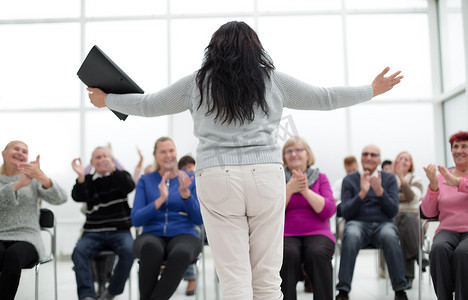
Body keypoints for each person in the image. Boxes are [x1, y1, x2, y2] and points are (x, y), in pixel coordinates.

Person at [87, 21, 403, 300]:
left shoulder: (197, 82)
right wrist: (371, 90)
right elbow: (326, 97)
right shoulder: (273, 80)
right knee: (266, 277)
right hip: (265, 176)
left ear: (213, 51)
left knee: (234, 276)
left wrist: (107, 100)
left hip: (215, 177)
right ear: (256, 50)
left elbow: (149, 104)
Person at [131, 137, 203, 300]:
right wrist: (159, 201)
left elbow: (199, 219)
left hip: (184, 234)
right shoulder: (145, 180)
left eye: (171, 150)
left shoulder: (189, 179)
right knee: (151, 247)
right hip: (151, 233)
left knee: (182, 253)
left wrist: (186, 195)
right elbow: (136, 219)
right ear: (155, 155)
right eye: (163, 151)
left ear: (176, 153)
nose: (168, 155)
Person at [336, 144, 408, 300]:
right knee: (352, 233)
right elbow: (346, 212)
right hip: (357, 223)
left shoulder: (389, 179)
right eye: (365, 154)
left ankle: (400, 291)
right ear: (361, 157)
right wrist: (361, 194)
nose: (368, 157)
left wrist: (380, 192)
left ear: (379, 159)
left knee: (390, 235)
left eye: (373, 155)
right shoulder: (349, 180)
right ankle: (343, 291)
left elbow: (393, 211)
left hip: (384, 224)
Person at [0, 140, 67, 300]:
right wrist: (18, 185)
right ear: (4, 153)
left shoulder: (34, 179)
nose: (20, 153)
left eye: (24, 151)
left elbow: (61, 198)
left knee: (13, 256)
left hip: (28, 237)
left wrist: (41, 177)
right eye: (16, 149)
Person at [71, 147, 135, 300]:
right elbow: (77, 196)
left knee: (129, 250)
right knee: (79, 252)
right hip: (93, 231)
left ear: (112, 160)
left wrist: (113, 170)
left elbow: (129, 186)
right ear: (92, 162)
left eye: (106, 156)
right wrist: (80, 177)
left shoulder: (120, 176)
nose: (103, 159)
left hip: (119, 230)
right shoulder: (87, 180)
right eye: (98, 157)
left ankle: (111, 292)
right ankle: (87, 295)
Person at [280, 136, 336, 300]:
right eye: (289, 151)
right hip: (286, 234)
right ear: (284, 157)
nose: (293, 154)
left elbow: (328, 210)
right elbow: (271, 213)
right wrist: (289, 190)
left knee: (317, 253)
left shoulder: (321, 178)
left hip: (318, 233)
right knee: (286, 254)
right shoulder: (277, 179)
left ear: (308, 155)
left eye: (298, 149)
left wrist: (305, 190)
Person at [421, 131, 468, 300]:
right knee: (438, 249)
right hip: (447, 230)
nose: (459, 150)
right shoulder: (441, 177)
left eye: (464, 146)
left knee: (463, 253)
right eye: (456, 146)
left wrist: (458, 182)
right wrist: (433, 186)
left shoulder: (452, 178)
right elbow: (428, 212)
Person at [392, 151, 423, 290]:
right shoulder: (390, 179)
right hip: (394, 219)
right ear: (396, 162)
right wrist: (403, 193)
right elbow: (387, 199)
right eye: (401, 158)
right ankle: (418, 255)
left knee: (408, 221)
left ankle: (408, 276)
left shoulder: (416, 179)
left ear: (411, 164)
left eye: (407, 159)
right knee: (405, 219)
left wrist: (402, 181)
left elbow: (411, 197)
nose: (404, 161)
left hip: (415, 219)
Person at [177, 154, 198, 296]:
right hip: (177, 223)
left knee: (187, 245)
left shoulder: (198, 181)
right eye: (185, 169)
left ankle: (191, 277)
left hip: (194, 224)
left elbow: (197, 212)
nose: (189, 171)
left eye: (191, 167)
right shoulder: (176, 182)